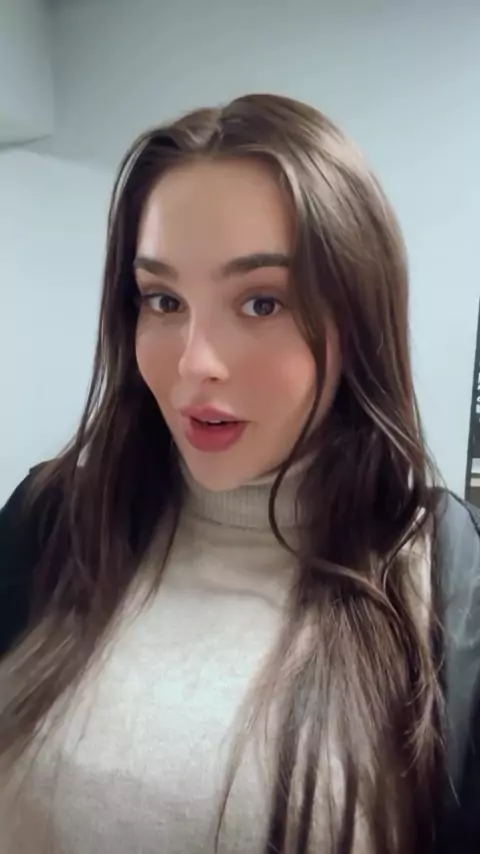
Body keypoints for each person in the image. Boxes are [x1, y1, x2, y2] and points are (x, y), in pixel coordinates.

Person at [0, 93, 479, 854]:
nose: (194, 365)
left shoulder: (436, 569)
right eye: (163, 300)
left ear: (356, 320)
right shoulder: (52, 515)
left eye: (262, 303)